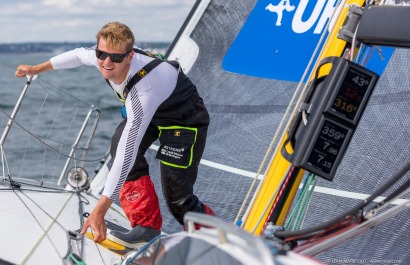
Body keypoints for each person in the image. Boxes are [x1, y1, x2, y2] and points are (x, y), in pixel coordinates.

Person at [15, 21, 214, 247]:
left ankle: (216, 239)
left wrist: (99, 210)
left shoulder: (143, 93)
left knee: (178, 200)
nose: (107, 63)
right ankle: (146, 226)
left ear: (129, 57)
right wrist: (35, 69)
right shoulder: (104, 55)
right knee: (119, 142)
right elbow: (78, 56)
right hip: (155, 113)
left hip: (184, 120)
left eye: (116, 58)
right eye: (101, 54)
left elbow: (126, 156)